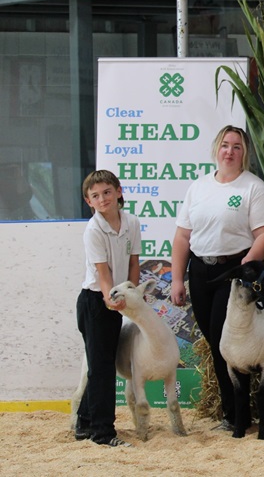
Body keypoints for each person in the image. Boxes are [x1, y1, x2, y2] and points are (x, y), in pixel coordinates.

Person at [169, 125, 264, 432]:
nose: (230, 151)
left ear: (245, 154)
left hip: (234, 273)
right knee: (215, 342)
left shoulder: (253, 188)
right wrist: (178, 279)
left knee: (222, 341)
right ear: (216, 149)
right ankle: (233, 413)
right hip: (201, 270)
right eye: (225, 145)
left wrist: (248, 263)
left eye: (237, 147)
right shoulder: (199, 187)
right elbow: (182, 236)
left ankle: (236, 416)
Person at [76, 170, 141, 447]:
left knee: (100, 363)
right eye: (95, 196)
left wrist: (132, 295)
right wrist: (110, 298)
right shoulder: (93, 230)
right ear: (89, 202)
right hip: (95, 301)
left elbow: (133, 264)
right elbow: (103, 273)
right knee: (102, 367)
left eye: (106, 192)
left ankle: (85, 421)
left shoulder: (132, 223)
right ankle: (103, 433)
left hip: (117, 299)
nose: (102, 199)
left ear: (118, 192)